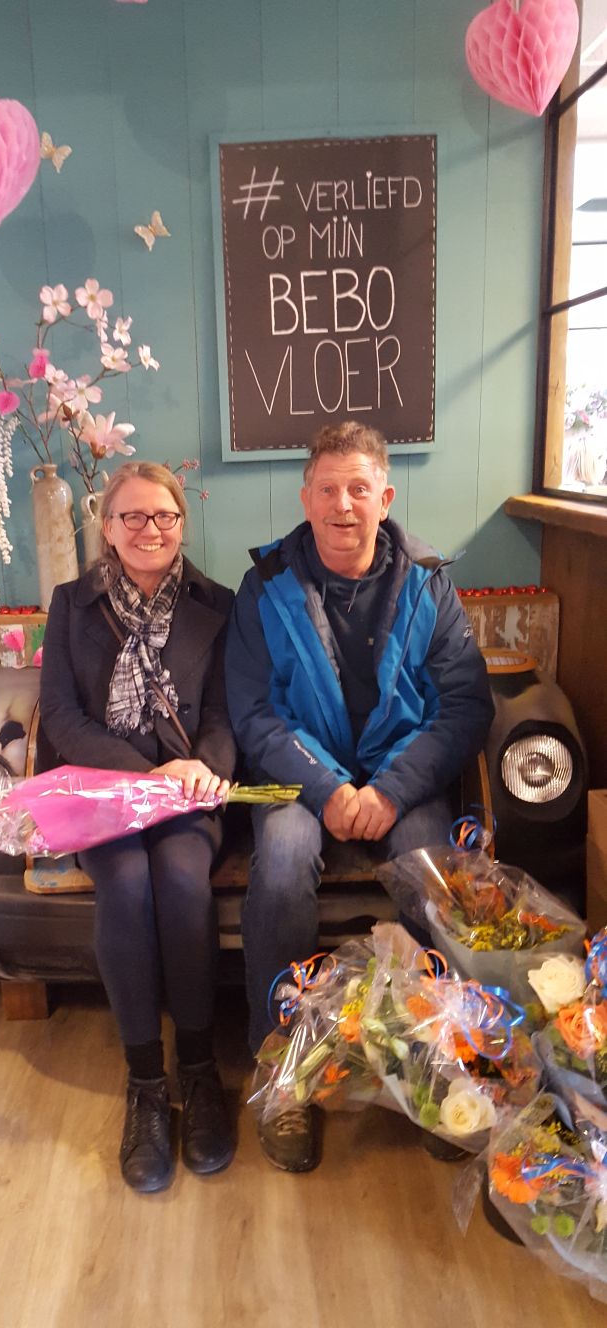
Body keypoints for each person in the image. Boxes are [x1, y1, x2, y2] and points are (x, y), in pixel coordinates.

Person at [225, 421, 495, 1173]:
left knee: (432, 873)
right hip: (296, 776)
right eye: (327, 489)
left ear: (384, 496)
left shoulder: (428, 584)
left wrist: (387, 789)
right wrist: (326, 788)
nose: (343, 504)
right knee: (279, 862)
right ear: (306, 498)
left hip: (400, 777)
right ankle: (285, 1075)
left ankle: (433, 1066)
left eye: (358, 488)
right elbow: (253, 715)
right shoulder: (265, 585)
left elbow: (464, 706)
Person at [39, 460, 236, 1193]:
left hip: (188, 790)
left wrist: (201, 768)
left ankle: (198, 1067)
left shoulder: (219, 602)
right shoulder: (71, 604)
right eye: (134, 517)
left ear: (182, 522)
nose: (151, 530)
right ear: (107, 526)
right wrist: (136, 774)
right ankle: (146, 1085)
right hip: (109, 788)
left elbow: (225, 709)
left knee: (182, 882)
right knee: (123, 885)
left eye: (165, 516)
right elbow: (60, 714)